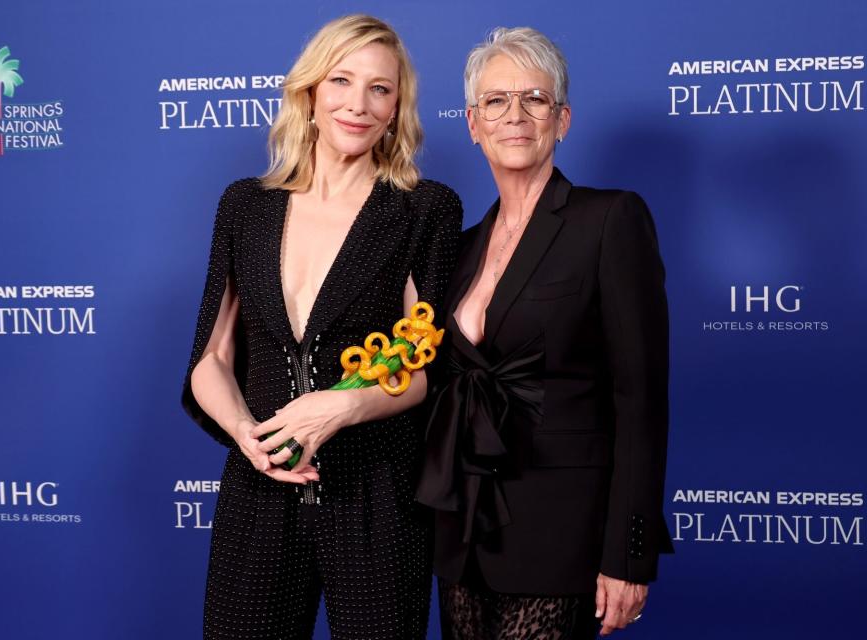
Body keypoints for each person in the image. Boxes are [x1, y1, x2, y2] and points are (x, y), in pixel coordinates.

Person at [181, 14, 462, 640]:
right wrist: (246, 434)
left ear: (397, 108)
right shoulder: (245, 206)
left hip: (378, 495)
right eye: (341, 80)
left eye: (380, 89)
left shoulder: (424, 208)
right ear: (310, 93)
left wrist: (338, 410)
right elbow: (212, 360)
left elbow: (425, 366)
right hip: (260, 487)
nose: (358, 104)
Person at [416, 27, 673, 639]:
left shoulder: (609, 219)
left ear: (562, 119)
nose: (516, 116)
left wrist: (628, 555)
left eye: (534, 98)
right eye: (496, 101)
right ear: (474, 124)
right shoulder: (458, 247)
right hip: (464, 533)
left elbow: (641, 402)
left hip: (564, 531)